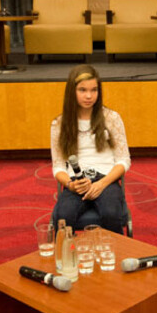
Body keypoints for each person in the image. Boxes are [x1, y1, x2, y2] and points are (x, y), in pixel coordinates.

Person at [51, 64, 131, 233]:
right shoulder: (59, 124)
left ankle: (115, 256)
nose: (89, 96)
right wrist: (70, 185)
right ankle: (68, 256)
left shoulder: (111, 118)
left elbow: (124, 160)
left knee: (111, 213)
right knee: (63, 216)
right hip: (76, 182)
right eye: (82, 90)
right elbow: (58, 166)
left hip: (106, 179)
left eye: (94, 90)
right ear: (72, 92)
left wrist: (101, 184)